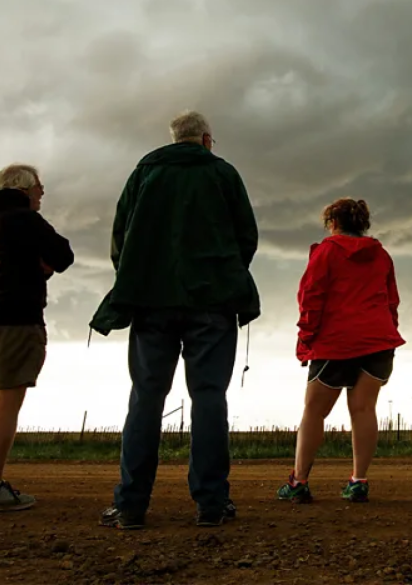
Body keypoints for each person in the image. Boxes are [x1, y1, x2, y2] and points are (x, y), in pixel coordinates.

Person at [91, 110, 260, 530]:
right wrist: (223, 276)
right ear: (205, 139)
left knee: (146, 399)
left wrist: (139, 281)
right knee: (208, 398)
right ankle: (211, 504)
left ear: (173, 139)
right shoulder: (223, 174)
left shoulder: (145, 173)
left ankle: (131, 506)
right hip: (213, 304)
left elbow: (120, 238)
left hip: (152, 304)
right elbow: (246, 237)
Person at [0, 163, 74, 514]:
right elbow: (63, 254)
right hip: (16, 321)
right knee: (8, 400)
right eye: (38, 186)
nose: (42, 192)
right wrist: (43, 265)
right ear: (23, 189)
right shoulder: (25, 220)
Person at [277, 198, 404, 505]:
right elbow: (392, 301)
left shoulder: (326, 252)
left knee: (314, 411)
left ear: (332, 223)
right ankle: (358, 481)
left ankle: (299, 482)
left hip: (336, 342)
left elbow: (311, 297)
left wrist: (306, 338)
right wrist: (387, 330)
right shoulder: (382, 255)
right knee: (363, 410)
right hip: (378, 341)